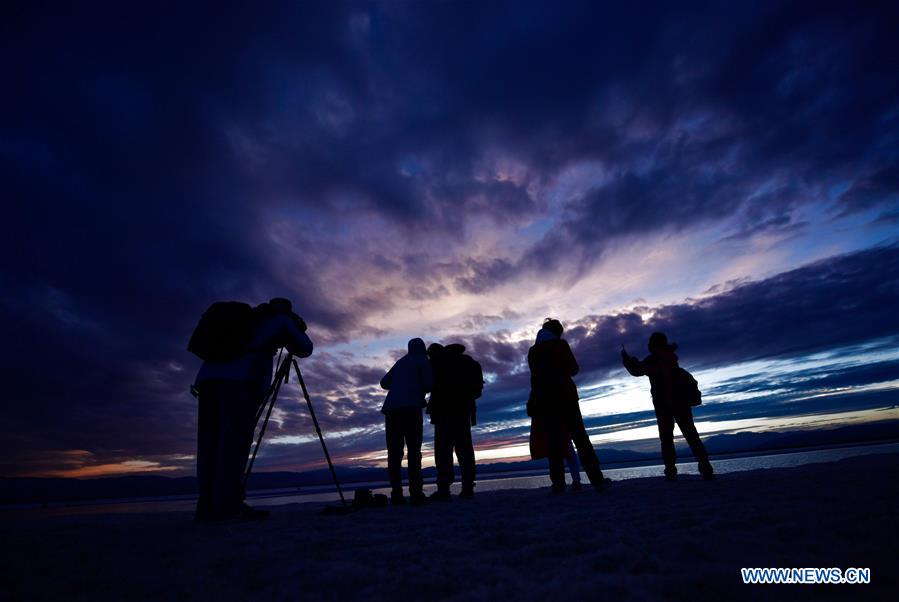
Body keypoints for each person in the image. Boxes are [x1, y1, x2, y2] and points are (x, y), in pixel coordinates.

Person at [193, 298, 313, 522]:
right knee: (233, 445)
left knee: (209, 445)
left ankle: (206, 506)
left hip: (208, 381)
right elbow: (305, 348)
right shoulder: (278, 319)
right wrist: (291, 325)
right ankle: (227, 507)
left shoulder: (241, 320)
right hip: (241, 383)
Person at [527, 318, 610, 493]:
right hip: (566, 397)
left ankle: (558, 485)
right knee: (580, 438)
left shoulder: (533, 351)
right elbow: (573, 369)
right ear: (557, 332)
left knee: (554, 443)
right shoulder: (560, 345)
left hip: (545, 402)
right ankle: (597, 480)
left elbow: (535, 379)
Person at [621, 332, 714, 481]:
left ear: (653, 344)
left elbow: (638, 370)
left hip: (664, 404)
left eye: (650, 343)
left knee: (667, 439)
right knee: (692, 436)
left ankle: (671, 472)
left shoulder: (654, 359)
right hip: (681, 402)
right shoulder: (670, 356)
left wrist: (627, 359)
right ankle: (705, 467)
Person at [427, 343, 483, 500]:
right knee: (464, 449)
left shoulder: (437, 362)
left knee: (443, 451)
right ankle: (467, 487)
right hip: (463, 411)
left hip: (443, 412)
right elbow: (477, 390)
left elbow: (428, 384)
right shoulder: (468, 362)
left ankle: (444, 489)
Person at [380, 338, 433, 505]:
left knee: (394, 453)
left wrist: (400, 384)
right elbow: (429, 383)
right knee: (414, 452)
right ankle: (416, 493)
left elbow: (384, 383)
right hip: (411, 409)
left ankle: (397, 493)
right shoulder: (423, 361)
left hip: (391, 410)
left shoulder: (401, 362)